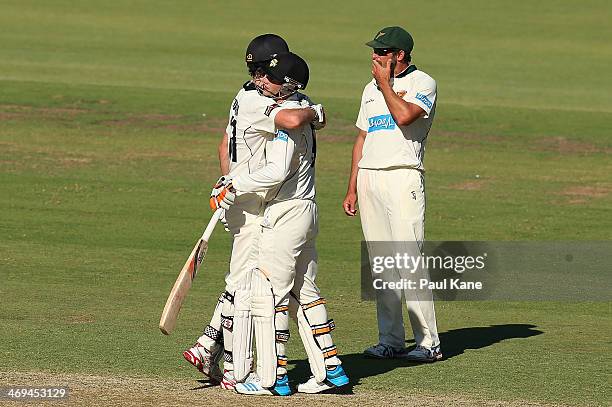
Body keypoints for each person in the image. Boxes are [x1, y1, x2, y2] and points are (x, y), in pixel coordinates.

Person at [182, 34, 325, 389]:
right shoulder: (254, 102)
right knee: (245, 286)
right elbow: (293, 121)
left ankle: (208, 345)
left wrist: (226, 180)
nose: (260, 77)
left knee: (241, 280)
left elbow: (222, 143)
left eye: (264, 70)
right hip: (251, 199)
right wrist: (316, 112)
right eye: (258, 71)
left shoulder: (242, 95)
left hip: (240, 193)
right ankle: (231, 367)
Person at [211, 52, 349, 396]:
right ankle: (330, 370)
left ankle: (273, 378)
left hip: (285, 213)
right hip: (305, 209)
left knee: (269, 294)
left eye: (271, 79)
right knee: (306, 290)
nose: (263, 83)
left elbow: (276, 170)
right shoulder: (301, 106)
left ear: (288, 86)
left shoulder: (290, 119)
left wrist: (232, 184)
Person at [342, 26, 442, 362]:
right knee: (381, 265)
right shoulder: (369, 89)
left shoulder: (422, 83)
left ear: (399, 55)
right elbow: (361, 138)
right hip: (370, 178)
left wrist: (385, 83)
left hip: (403, 177)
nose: (374, 56)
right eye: (375, 50)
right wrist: (352, 185)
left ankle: (429, 343)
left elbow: (404, 116)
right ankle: (391, 339)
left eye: (382, 52)